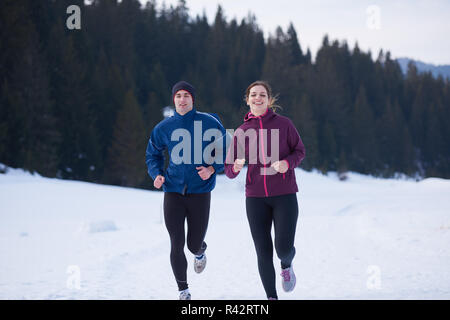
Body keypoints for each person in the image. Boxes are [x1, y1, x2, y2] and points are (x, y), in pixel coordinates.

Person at [225, 81, 306, 300]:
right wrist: (235, 167)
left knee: (283, 248)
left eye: (262, 94)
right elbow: (229, 170)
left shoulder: (284, 124)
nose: (257, 98)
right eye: (253, 94)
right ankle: (271, 297)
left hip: (284, 195)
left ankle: (286, 265)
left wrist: (287, 163)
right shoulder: (242, 132)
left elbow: (299, 151)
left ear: (269, 100)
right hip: (255, 198)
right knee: (263, 251)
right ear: (247, 99)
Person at [146, 81, 226, 300]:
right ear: (174, 99)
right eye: (178, 96)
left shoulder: (209, 122)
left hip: (200, 192)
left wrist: (212, 168)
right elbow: (152, 154)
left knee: (192, 244)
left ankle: (200, 251)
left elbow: (227, 151)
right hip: (173, 191)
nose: (182, 99)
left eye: (186, 96)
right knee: (176, 242)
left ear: (193, 99)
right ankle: (183, 290)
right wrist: (157, 174)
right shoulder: (163, 127)